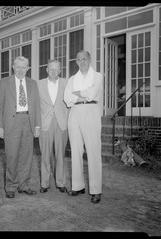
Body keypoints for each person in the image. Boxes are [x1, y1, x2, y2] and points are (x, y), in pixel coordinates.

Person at [0, 56, 41, 199]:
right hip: (11, 123)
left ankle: (24, 185)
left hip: (28, 121)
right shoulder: (4, 83)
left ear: (28, 68)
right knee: (12, 156)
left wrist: (37, 125)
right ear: (13, 67)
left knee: (27, 156)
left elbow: (37, 106)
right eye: (18, 67)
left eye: (24, 67)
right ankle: (11, 186)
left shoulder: (33, 84)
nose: (21, 70)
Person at [64, 50, 103, 203]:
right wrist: (83, 94)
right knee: (76, 150)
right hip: (75, 113)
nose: (82, 62)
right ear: (76, 61)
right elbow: (67, 98)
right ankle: (77, 186)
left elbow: (92, 94)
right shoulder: (72, 79)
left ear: (90, 59)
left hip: (91, 111)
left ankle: (96, 190)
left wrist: (77, 94)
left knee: (93, 151)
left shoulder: (98, 76)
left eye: (84, 59)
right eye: (79, 59)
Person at [36, 60, 69, 193]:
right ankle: (44, 183)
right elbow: (36, 106)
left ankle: (60, 182)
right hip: (45, 123)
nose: (54, 71)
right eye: (51, 69)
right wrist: (37, 125)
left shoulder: (66, 83)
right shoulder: (39, 84)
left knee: (60, 155)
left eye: (56, 69)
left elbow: (70, 103)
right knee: (45, 154)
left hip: (61, 123)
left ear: (60, 71)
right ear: (47, 69)